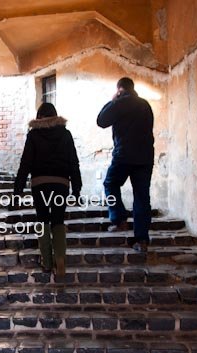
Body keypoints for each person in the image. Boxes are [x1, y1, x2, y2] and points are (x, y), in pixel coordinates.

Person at [14, 102, 82, 281]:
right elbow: (73, 162)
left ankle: (46, 262)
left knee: (42, 219)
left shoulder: (33, 135)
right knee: (58, 221)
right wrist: (77, 188)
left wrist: (18, 188)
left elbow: (25, 163)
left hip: (40, 184)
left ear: (39, 117)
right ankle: (60, 258)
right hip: (61, 184)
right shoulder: (66, 134)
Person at [96, 77, 155, 252]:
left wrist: (113, 100)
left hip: (124, 155)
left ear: (120, 89)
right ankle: (142, 240)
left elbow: (101, 120)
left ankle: (119, 219)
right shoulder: (145, 105)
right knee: (142, 197)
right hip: (145, 157)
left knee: (110, 183)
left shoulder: (120, 103)